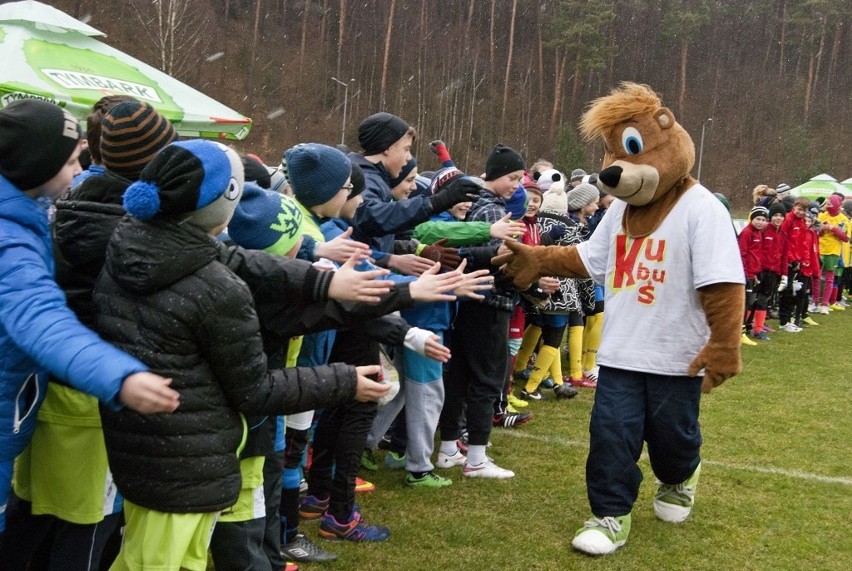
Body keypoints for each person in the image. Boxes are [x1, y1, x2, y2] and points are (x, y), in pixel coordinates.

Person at [93, 139, 389, 570]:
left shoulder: (134, 245)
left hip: (143, 450)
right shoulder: (214, 287)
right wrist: (345, 381)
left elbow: (242, 260)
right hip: (190, 462)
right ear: (224, 206)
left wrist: (325, 282)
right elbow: (255, 390)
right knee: (160, 560)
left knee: (151, 554)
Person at [0, 99, 180, 548]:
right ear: (32, 167)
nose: (81, 167)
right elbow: (40, 317)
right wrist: (119, 377)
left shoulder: (28, 214)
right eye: (69, 159)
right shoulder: (9, 243)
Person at [437, 144, 527, 479]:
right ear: (493, 174)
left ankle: (448, 449)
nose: (515, 184)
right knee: (488, 379)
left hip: (470, 303)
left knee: (460, 377)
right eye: (511, 177)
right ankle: (476, 458)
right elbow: (498, 259)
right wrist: (529, 280)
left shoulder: (484, 205)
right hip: (489, 304)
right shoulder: (492, 212)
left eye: (519, 178)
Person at [814, 194, 849, 313]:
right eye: (827, 203)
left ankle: (825, 304)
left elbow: (845, 238)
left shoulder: (843, 219)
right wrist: (822, 229)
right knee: (816, 277)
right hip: (819, 250)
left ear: (836, 205)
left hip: (833, 252)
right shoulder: (822, 215)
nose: (827, 206)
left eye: (830, 203)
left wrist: (833, 228)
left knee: (829, 278)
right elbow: (816, 232)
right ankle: (815, 302)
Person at [738, 206, 770, 341]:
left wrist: (758, 272)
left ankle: (746, 329)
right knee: (745, 303)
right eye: (758, 219)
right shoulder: (747, 233)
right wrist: (745, 273)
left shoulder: (758, 233)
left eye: (763, 219)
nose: (760, 222)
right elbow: (742, 254)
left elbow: (756, 255)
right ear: (752, 218)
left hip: (754, 274)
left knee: (751, 302)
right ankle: (740, 332)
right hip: (746, 274)